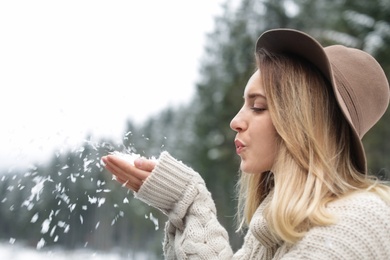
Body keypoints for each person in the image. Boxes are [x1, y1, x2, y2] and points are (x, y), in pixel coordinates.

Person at [101, 28, 390, 259]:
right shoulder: (271, 232)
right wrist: (187, 201)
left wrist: (189, 201)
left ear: (304, 123)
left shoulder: (356, 223)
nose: (236, 121)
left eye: (259, 106)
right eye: (244, 105)